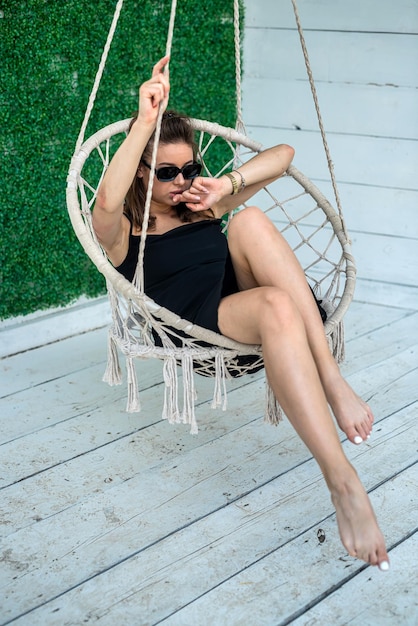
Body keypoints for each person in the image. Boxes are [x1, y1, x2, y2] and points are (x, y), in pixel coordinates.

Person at [93, 56, 389, 571]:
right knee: (275, 302)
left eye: (190, 168)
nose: (182, 179)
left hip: (239, 302)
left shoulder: (203, 204)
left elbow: (284, 154)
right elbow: (103, 205)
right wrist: (144, 124)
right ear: (143, 171)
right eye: (166, 172)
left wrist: (224, 186)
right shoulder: (125, 232)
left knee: (249, 219)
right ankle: (343, 481)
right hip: (194, 327)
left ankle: (333, 383)